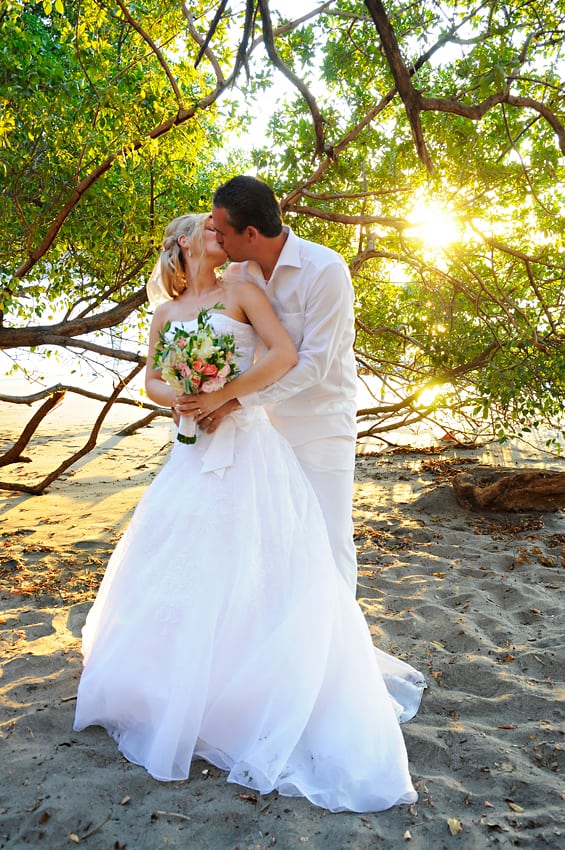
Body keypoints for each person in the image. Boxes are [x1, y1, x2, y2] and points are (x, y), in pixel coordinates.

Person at [73, 212, 425, 813]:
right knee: (185, 558)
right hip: (193, 446)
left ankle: (268, 686)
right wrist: (182, 397)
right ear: (181, 244)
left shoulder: (243, 288)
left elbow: (285, 353)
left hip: (249, 440)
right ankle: (182, 688)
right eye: (203, 228)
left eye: (221, 227)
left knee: (258, 554)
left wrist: (223, 394)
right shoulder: (164, 314)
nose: (215, 232)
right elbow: (152, 382)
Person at [178, 176, 359, 595]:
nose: (217, 239)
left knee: (329, 534)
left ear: (251, 234)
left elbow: (313, 365)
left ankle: (338, 648)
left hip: (321, 423)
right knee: (277, 536)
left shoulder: (325, 270)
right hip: (261, 429)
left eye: (222, 232)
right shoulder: (240, 272)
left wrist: (235, 400)